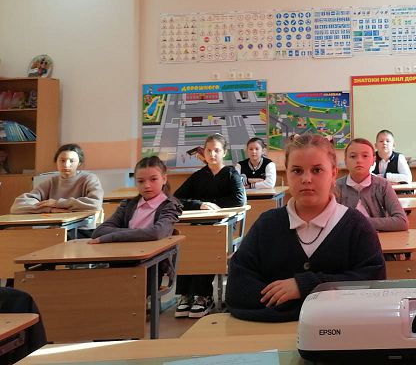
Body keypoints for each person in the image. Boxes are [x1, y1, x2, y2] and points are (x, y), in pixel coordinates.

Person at [225, 134, 386, 322]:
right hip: (271, 335)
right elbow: (237, 290)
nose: (306, 179)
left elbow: (373, 286)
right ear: (287, 174)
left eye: (317, 170)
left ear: (333, 173)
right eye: (297, 171)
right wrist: (315, 305)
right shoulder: (267, 225)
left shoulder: (356, 226)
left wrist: (304, 287)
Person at [173, 133, 246, 318]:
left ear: (224, 153)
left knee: (204, 244)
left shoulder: (231, 174)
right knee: (186, 242)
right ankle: (185, 295)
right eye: (209, 150)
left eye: (217, 150)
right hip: (198, 223)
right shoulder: (198, 176)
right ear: (203, 152)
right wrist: (199, 204)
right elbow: (176, 199)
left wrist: (212, 204)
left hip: (222, 225)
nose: (212, 154)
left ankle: (203, 295)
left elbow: (239, 200)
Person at [89, 156, 182, 288]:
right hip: (120, 258)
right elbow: (99, 231)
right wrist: (139, 234)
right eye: (140, 181)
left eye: (153, 179)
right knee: (101, 287)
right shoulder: (128, 204)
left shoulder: (170, 206)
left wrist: (110, 237)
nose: (147, 185)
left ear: (164, 179)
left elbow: (156, 233)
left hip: (150, 264)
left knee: (129, 292)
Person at [11, 144, 103, 235]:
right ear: (56, 162)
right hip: (57, 229)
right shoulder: (51, 182)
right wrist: (49, 209)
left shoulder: (89, 178)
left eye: (72, 161)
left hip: (82, 230)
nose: (66, 165)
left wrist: (57, 203)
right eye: (62, 160)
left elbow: (95, 204)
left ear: (79, 163)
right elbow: (17, 207)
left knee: (54, 239)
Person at [336, 138, 408, 232]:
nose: (359, 160)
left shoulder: (383, 185)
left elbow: (402, 222)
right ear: (345, 161)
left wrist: (361, 222)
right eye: (353, 156)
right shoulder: (336, 187)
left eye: (365, 156)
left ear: (373, 160)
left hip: (377, 237)